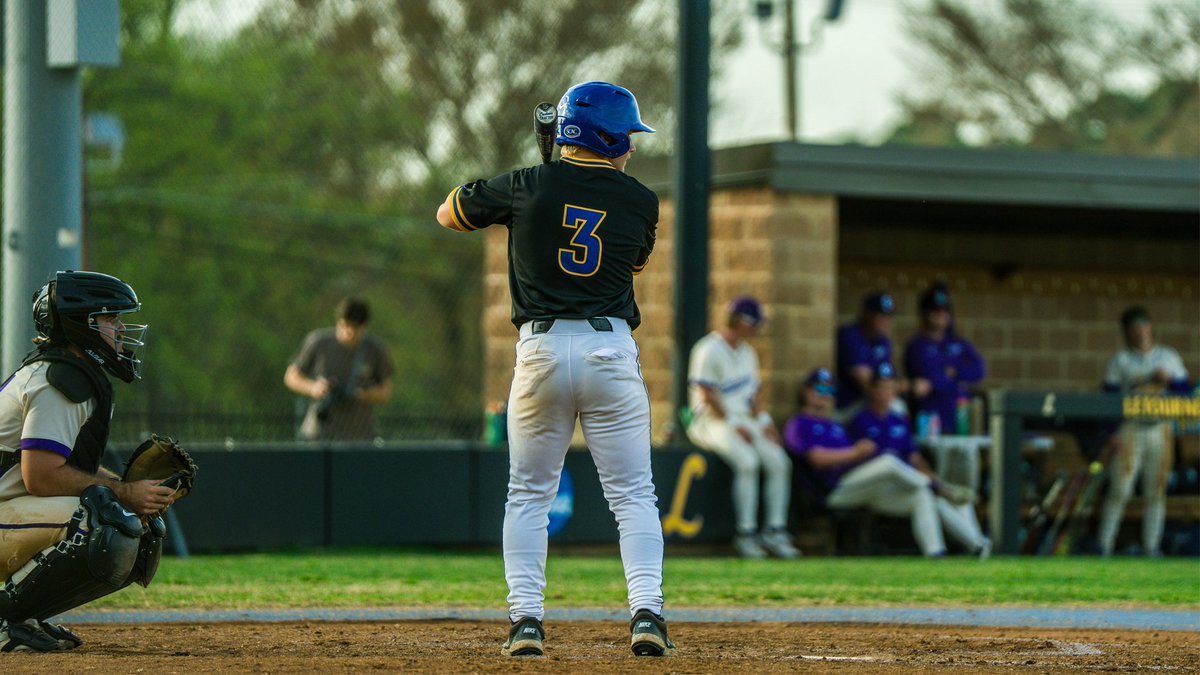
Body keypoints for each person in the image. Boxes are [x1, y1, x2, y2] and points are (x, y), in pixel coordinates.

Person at [434, 81, 672, 657]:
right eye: (626, 137)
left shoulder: (522, 185)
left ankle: (526, 623)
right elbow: (630, 257)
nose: (631, 148)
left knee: (528, 495)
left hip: (539, 353)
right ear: (606, 136)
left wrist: (537, 176)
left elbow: (448, 214)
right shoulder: (642, 200)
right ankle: (647, 615)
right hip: (609, 351)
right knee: (634, 497)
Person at [0, 271, 177, 652]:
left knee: (133, 524)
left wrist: (130, 494)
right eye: (110, 318)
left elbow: (57, 464)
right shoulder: (59, 381)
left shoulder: (66, 373)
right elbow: (41, 476)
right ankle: (5, 622)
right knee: (99, 519)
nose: (120, 328)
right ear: (83, 324)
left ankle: (20, 618)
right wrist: (122, 493)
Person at [783, 367, 985, 558]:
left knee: (921, 497)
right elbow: (816, 459)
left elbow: (912, 455)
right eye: (819, 388)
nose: (825, 394)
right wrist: (855, 452)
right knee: (888, 461)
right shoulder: (799, 423)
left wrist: (856, 454)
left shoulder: (834, 426)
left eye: (829, 389)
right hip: (830, 490)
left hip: (862, 486)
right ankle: (938, 487)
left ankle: (943, 554)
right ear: (806, 392)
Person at [686, 296, 800, 560]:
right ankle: (745, 534)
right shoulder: (707, 348)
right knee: (747, 461)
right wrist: (735, 424)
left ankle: (775, 530)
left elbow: (753, 397)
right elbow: (706, 394)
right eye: (755, 323)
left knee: (779, 462)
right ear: (741, 322)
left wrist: (765, 423)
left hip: (742, 419)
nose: (758, 329)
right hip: (709, 421)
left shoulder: (748, 353)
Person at [846, 362, 990, 557]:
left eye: (890, 387)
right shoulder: (860, 420)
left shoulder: (898, 419)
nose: (885, 393)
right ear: (871, 389)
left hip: (908, 484)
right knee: (927, 485)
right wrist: (931, 482)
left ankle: (969, 548)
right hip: (875, 486)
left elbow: (913, 456)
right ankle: (940, 489)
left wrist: (928, 474)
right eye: (880, 387)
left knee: (935, 498)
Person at [1097, 306, 1191, 557]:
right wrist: (1111, 433)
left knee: (1156, 489)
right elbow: (1109, 398)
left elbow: (1187, 393)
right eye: (1134, 329)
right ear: (1127, 333)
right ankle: (1104, 545)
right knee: (1121, 488)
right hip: (1130, 427)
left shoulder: (1167, 357)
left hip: (1159, 428)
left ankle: (1151, 546)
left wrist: (1168, 379)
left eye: (1143, 326)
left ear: (1150, 327)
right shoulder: (1121, 360)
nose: (1140, 332)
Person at [284, 298, 394, 441]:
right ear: (338, 322)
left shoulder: (375, 350)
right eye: (345, 325)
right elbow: (291, 376)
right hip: (319, 433)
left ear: (364, 326)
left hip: (360, 435)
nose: (349, 332)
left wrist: (362, 394)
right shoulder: (318, 343)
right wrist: (313, 388)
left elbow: (385, 393)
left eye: (355, 328)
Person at [904, 282, 985, 435]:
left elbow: (978, 370)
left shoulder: (958, 343)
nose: (941, 315)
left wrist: (954, 372)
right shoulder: (917, 346)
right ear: (926, 313)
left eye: (944, 311)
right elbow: (931, 379)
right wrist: (950, 379)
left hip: (959, 416)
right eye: (935, 311)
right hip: (930, 416)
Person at [835, 291, 906, 418]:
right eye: (881, 316)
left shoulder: (884, 342)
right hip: (848, 405)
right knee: (894, 408)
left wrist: (891, 388)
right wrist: (902, 387)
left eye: (889, 316)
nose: (886, 321)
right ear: (867, 314)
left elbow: (887, 380)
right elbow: (866, 384)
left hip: (871, 401)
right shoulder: (850, 336)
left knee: (897, 407)